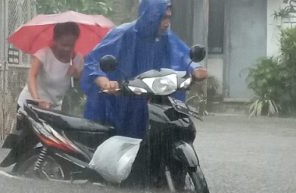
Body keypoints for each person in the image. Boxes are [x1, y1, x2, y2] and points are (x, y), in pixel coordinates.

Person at [80, 0, 208, 139]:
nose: (167, 23)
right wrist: (104, 81)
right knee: (116, 144)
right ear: (151, 16)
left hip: (153, 100)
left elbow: (181, 54)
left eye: (169, 18)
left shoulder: (166, 37)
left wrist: (195, 68)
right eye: (162, 18)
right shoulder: (124, 33)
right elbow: (94, 60)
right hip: (120, 101)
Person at [17, 22, 84, 111]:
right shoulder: (44, 54)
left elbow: (80, 86)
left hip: (53, 108)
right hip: (30, 105)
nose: (67, 49)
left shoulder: (78, 59)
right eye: (64, 45)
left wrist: (76, 74)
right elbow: (32, 76)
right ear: (55, 40)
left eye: (71, 45)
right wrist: (37, 99)